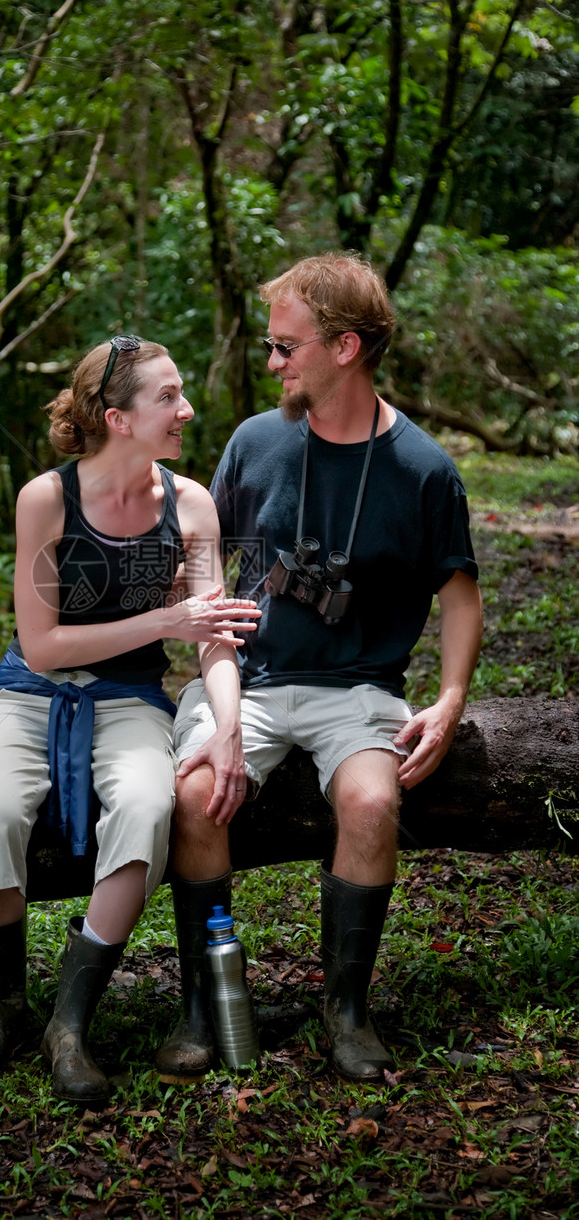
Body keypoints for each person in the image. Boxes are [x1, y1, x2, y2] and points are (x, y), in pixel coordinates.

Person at [155, 253, 483, 1083]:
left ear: (344, 348)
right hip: (251, 681)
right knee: (194, 796)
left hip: (358, 689)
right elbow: (202, 564)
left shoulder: (424, 470)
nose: (273, 363)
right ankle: (203, 1001)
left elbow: (459, 595)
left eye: (284, 346)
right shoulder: (257, 441)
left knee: (372, 806)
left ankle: (346, 1010)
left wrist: (447, 702)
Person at [0, 335, 260, 1105]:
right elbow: (43, 644)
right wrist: (167, 619)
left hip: (129, 699)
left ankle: (68, 1022)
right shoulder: (45, 499)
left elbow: (212, 635)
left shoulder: (190, 506)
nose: (186, 410)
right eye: (168, 397)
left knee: (148, 808)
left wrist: (229, 723)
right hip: (29, 692)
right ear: (116, 417)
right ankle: (0, 1008)